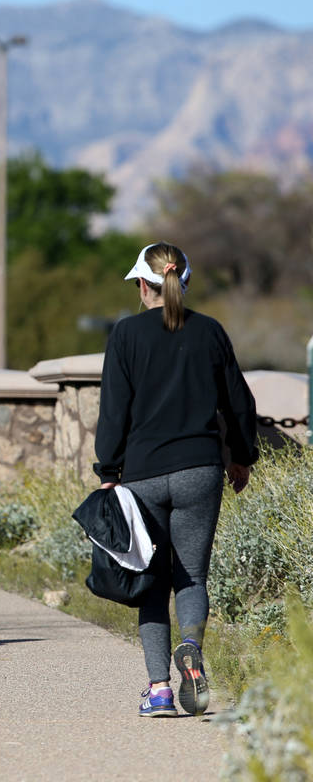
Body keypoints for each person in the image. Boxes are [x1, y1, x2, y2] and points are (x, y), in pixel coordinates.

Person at [93, 242, 257, 718]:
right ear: (181, 282)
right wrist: (242, 456)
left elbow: (113, 413)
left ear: (143, 285)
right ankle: (190, 647)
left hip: (142, 475)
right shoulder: (210, 332)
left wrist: (109, 472)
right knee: (191, 577)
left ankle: (160, 689)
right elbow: (239, 403)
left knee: (151, 581)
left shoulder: (126, 336)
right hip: (200, 471)